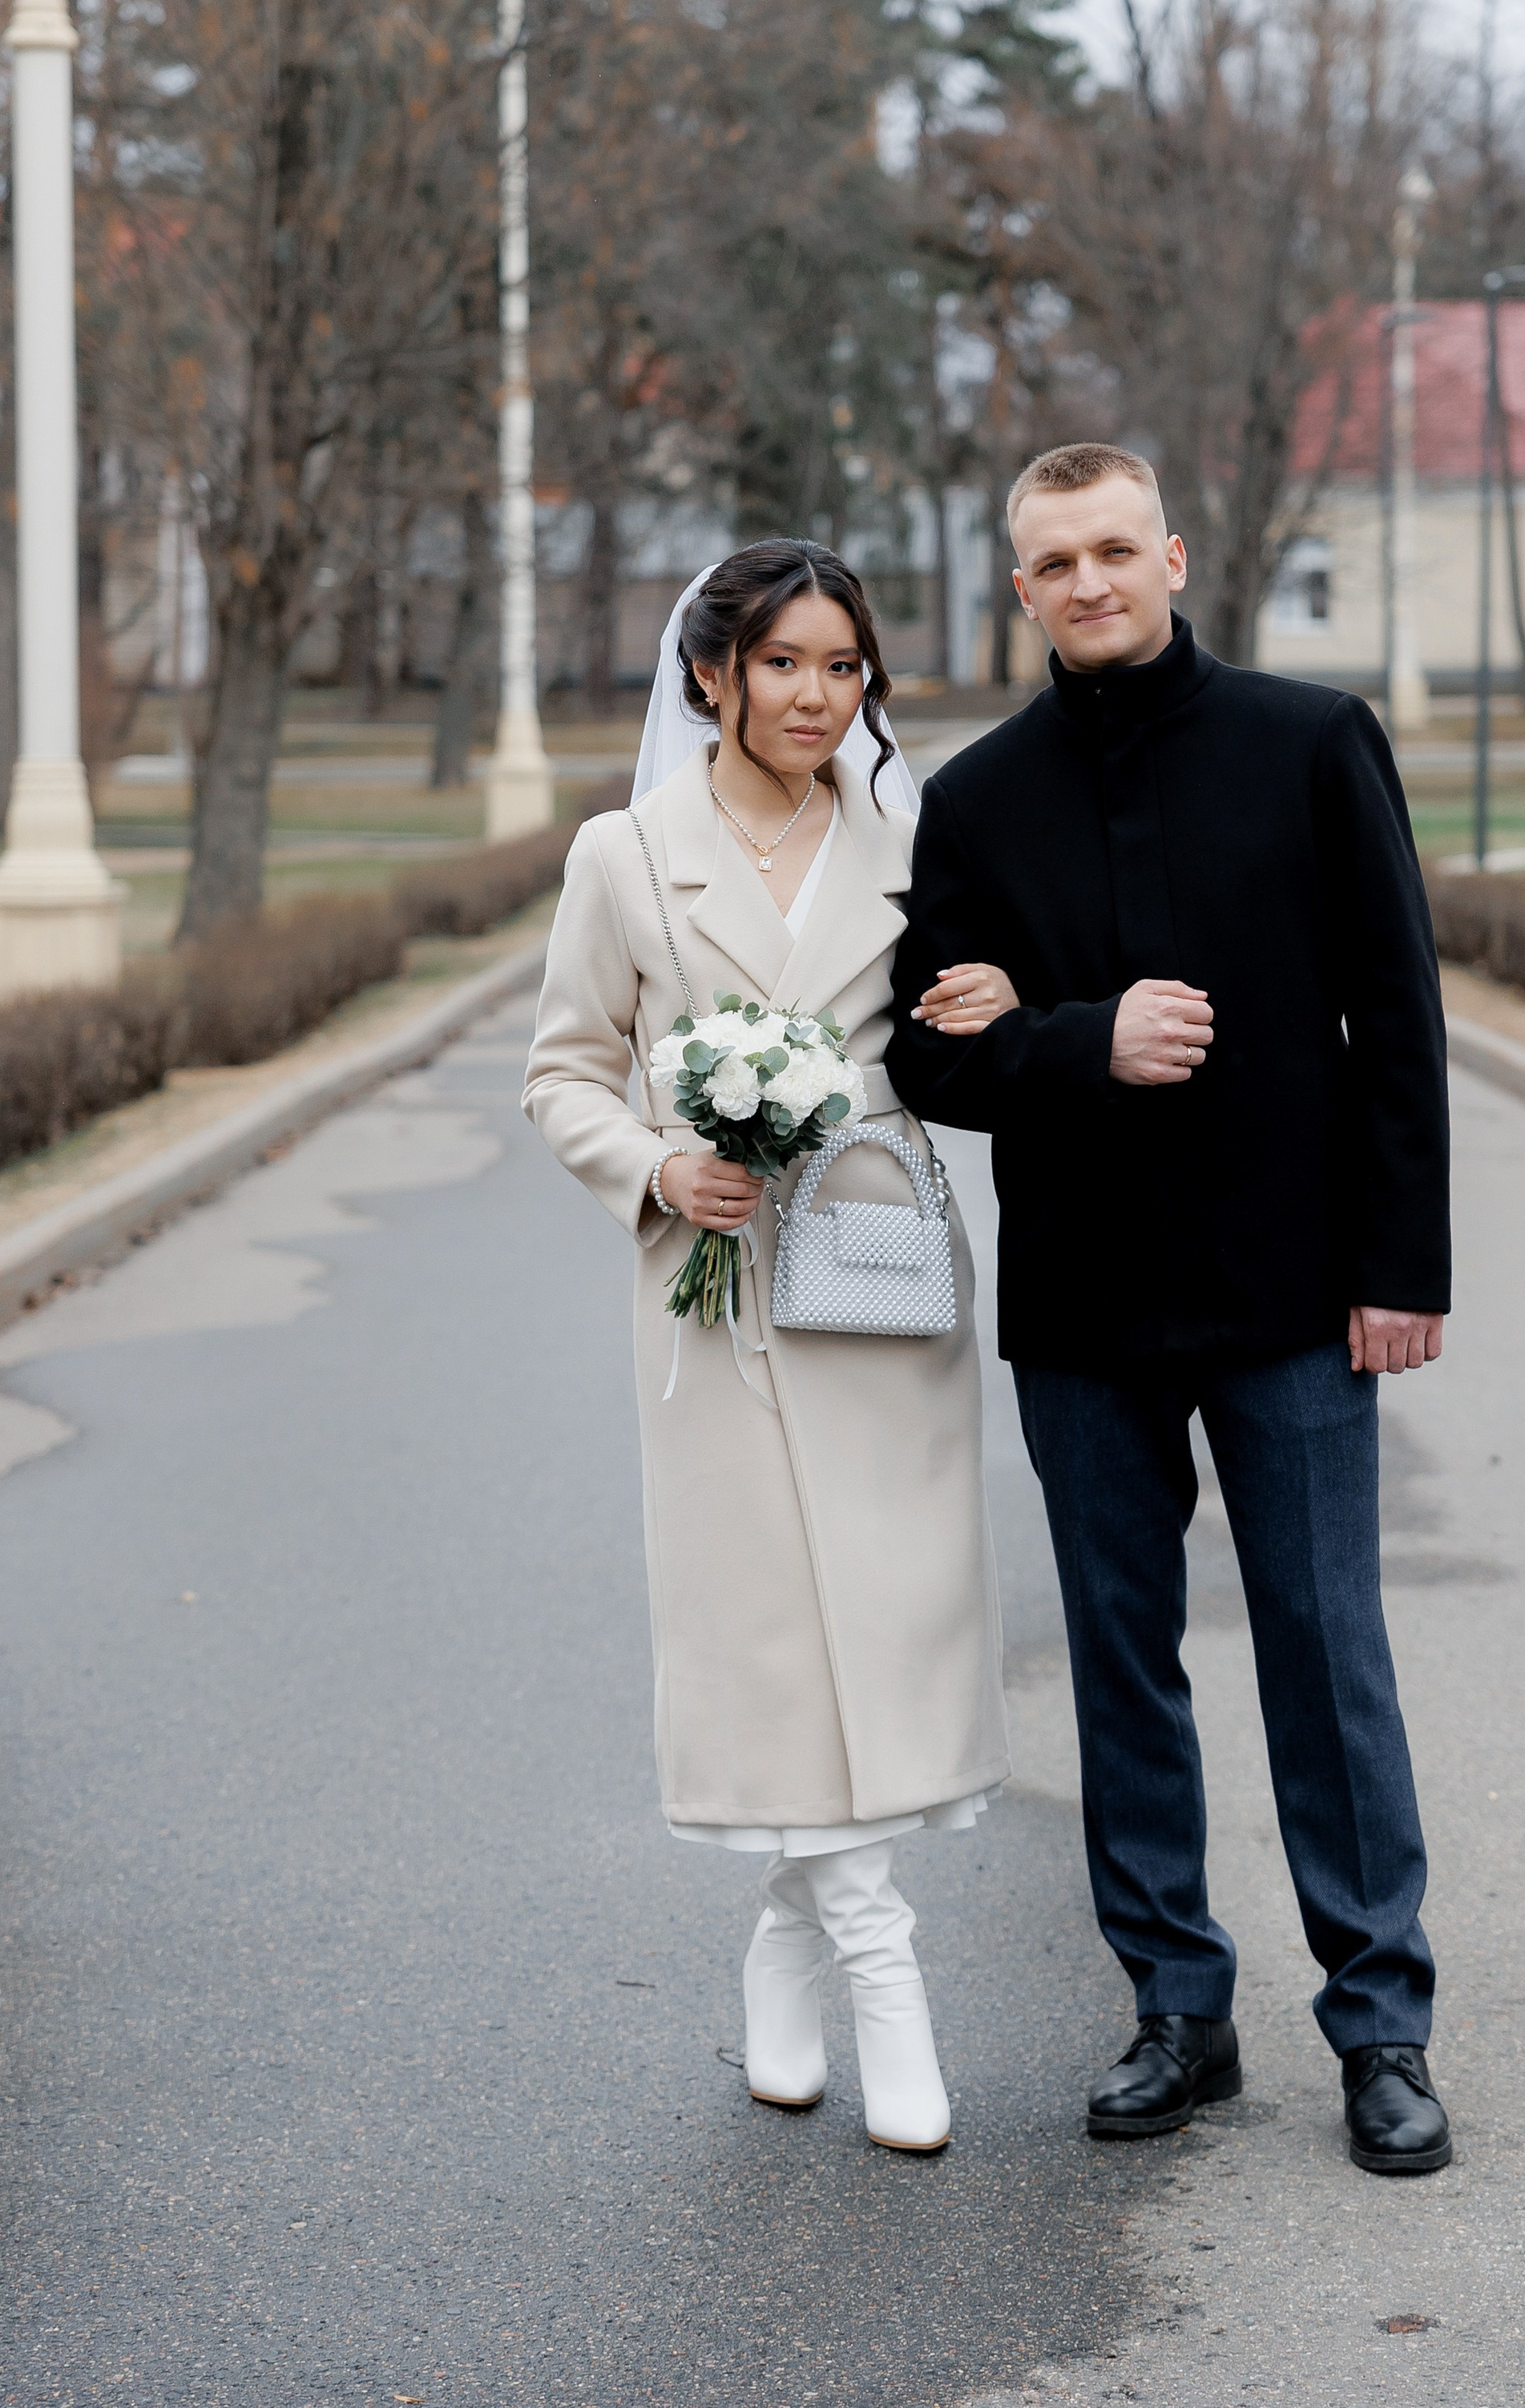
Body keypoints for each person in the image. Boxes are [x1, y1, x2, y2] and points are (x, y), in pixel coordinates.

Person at [887, 443, 1454, 2173]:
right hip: (1081, 1311)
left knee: (1321, 1651)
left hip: (1290, 1292)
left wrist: (1398, 1270)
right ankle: (1174, 2012)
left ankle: (1379, 2026)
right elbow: (924, 1053)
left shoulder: (1306, 743)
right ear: (1018, 586)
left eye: (1112, 550)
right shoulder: (973, 803)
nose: (1085, 583)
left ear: (1172, 554)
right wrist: (1075, 1038)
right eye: (1050, 561)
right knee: (1119, 1667)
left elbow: (1394, 1017)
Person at [522, 542, 1019, 2156]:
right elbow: (563, 1073)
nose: (816, 696)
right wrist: (658, 1166)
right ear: (710, 677)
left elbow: (973, 1011)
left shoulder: (912, 833)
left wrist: (998, 994)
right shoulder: (626, 855)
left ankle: (785, 1946)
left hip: (873, 1275)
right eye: (783, 664)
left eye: (842, 665)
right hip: (717, 1291)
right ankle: (883, 1972)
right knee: (767, 1633)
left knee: (883, 1613)